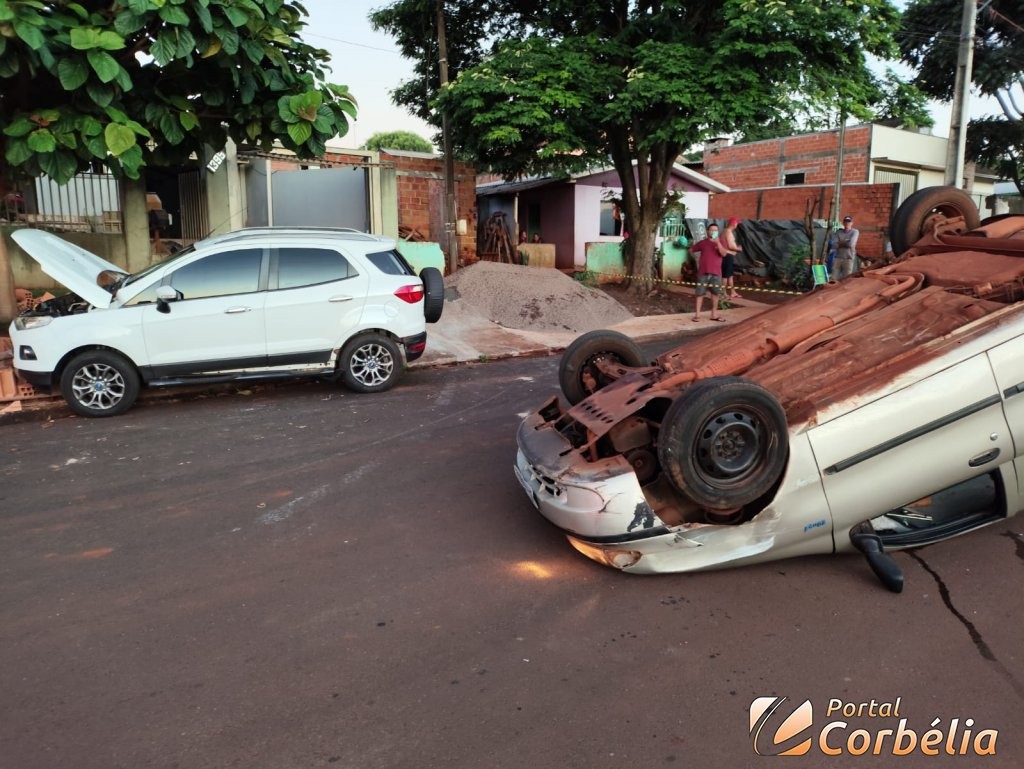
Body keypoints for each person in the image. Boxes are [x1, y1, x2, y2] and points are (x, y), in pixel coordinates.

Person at [689, 223, 728, 322]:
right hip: (703, 272)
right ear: (708, 231)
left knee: (715, 293)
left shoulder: (722, 242)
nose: (714, 232)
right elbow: (691, 250)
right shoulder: (703, 243)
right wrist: (696, 258)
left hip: (716, 273)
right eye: (712, 230)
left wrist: (718, 243)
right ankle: (697, 315)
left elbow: (723, 254)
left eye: (716, 230)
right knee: (700, 293)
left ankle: (714, 314)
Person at [719, 216, 743, 299]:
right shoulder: (728, 232)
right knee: (725, 275)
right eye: (737, 223)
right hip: (727, 256)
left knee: (730, 275)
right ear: (734, 224)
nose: (737, 225)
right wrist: (738, 248)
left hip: (728, 256)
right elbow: (730, 245)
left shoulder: (724, 231)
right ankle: (723, 293)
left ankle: (733, 292)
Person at [832, 215, 859, 281]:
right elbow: (834, 245)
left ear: (852, 223)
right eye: (846, 222)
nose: (847, 223)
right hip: (838, 257)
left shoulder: (855, 232)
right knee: (833, 278)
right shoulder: (839, 232)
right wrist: (846, 242)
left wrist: (840, 242)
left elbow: (851, 244)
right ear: (843, 223)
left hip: (848, 258)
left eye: (849, 222)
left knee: (847, 279)